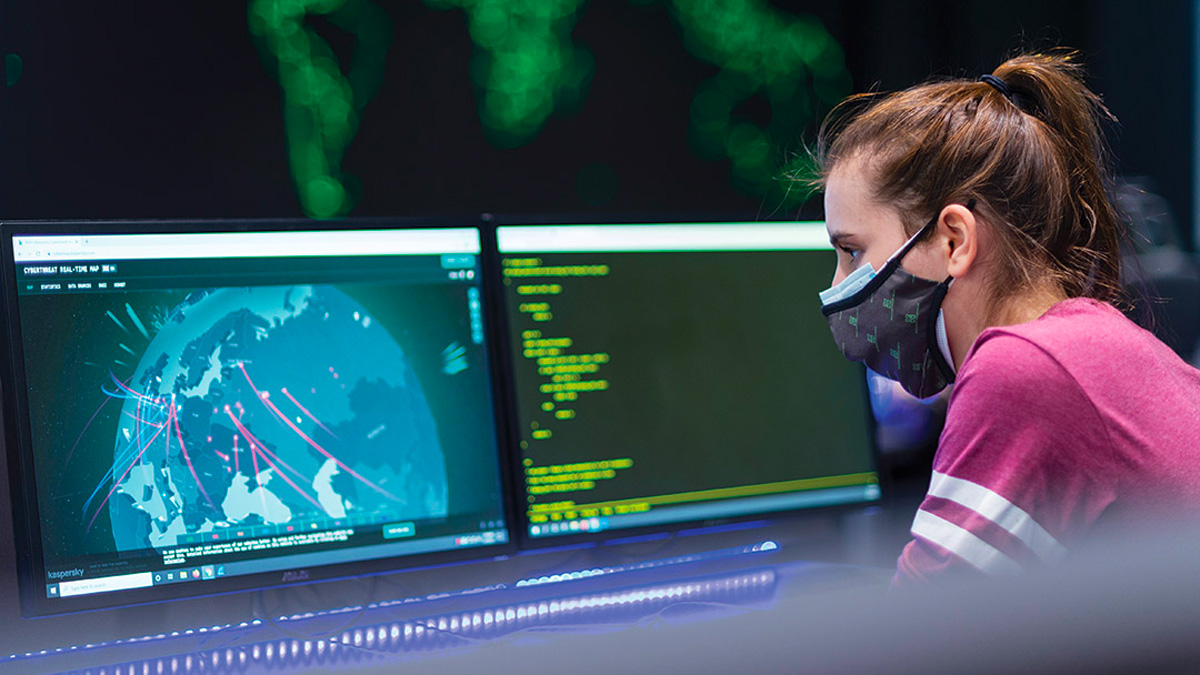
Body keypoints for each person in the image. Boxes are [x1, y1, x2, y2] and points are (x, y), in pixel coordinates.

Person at [810, 50, 1200, 585]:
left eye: (852, 251)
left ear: (954, 240)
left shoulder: (1023, 371)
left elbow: (914, 641)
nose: (837, 287)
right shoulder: (1099, 344)